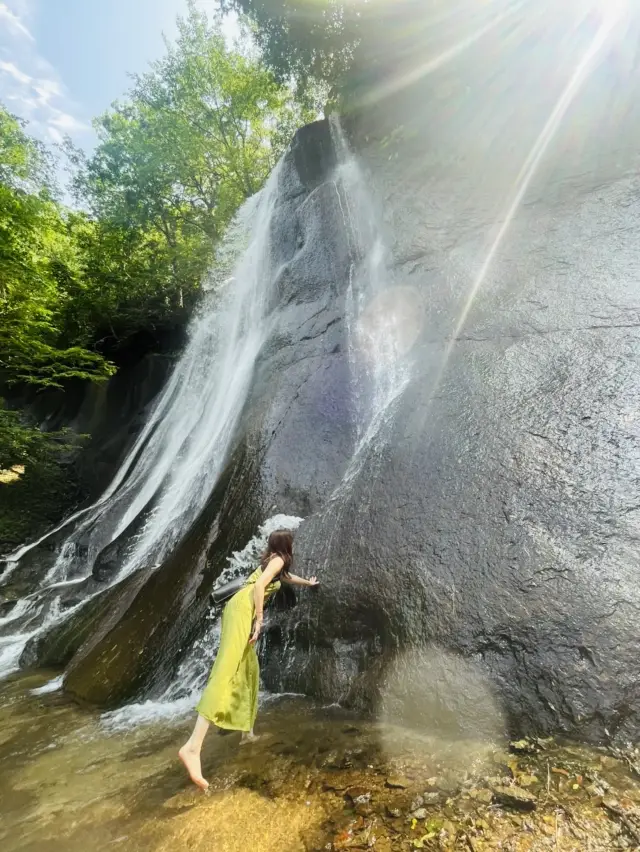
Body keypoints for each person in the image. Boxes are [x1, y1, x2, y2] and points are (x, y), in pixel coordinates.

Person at [179, 528, 318, 790]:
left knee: (249, 669)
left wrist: (308, 583)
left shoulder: (275, 561)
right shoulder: (277, 560)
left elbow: (285, 578)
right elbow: (259, 585)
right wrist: (260, 621)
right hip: (243, 609)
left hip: (239, 608)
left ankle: (247, 733)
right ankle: (192, 747)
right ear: (287, 545)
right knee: (226, 670)